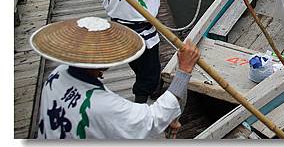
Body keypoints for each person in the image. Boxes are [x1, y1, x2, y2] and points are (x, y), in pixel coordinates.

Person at [31, 16, 200, 139]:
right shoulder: (100, 105)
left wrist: (167, 118)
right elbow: (151, 120)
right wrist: (184, 71)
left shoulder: (56, 74)